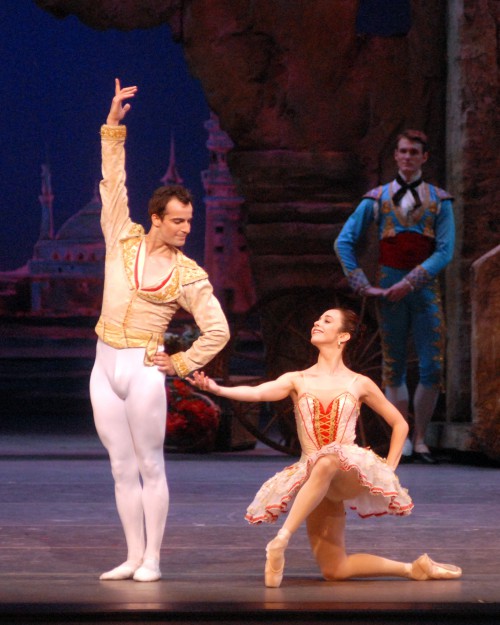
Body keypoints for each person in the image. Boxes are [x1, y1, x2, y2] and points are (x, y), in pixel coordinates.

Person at [188, 308, 462, 587]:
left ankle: (281, 539)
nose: (317, 322)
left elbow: (400, 424)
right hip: (315, 477)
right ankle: (413, 569)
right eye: (317, 319)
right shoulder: (297, 379)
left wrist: (388, 470)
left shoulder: (359, 382)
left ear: (343, 336)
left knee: (329, 459)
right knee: (335, 569)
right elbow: (258, 392)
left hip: (347, 470)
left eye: (326, 321)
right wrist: (218, 390)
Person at [90, 79, 230, 582]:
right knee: (120, 468)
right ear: (156, 219)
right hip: (103, 366)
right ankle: (132, 555)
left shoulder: (189, 274)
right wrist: (114, 127)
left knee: (151, 465)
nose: (185, 228)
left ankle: (153, 558)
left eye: (190, 221)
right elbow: (113, 184)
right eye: (177, 221)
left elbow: (218, 331)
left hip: (144, 369)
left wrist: (182, 363)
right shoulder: (122, 239)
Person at [334, 130, 455, 464]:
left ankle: (421, 439)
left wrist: (413, 280)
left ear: (424, 157)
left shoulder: (440, 200)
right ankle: (401, 438)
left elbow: (445, 251)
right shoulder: (377, 198)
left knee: (432, 365)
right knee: (393, 364)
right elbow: (343, 241)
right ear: (396, 156)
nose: (407, 157)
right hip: (389, 289)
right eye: (402, 151)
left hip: (424, 288)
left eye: (414, 152)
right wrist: (361, 282)